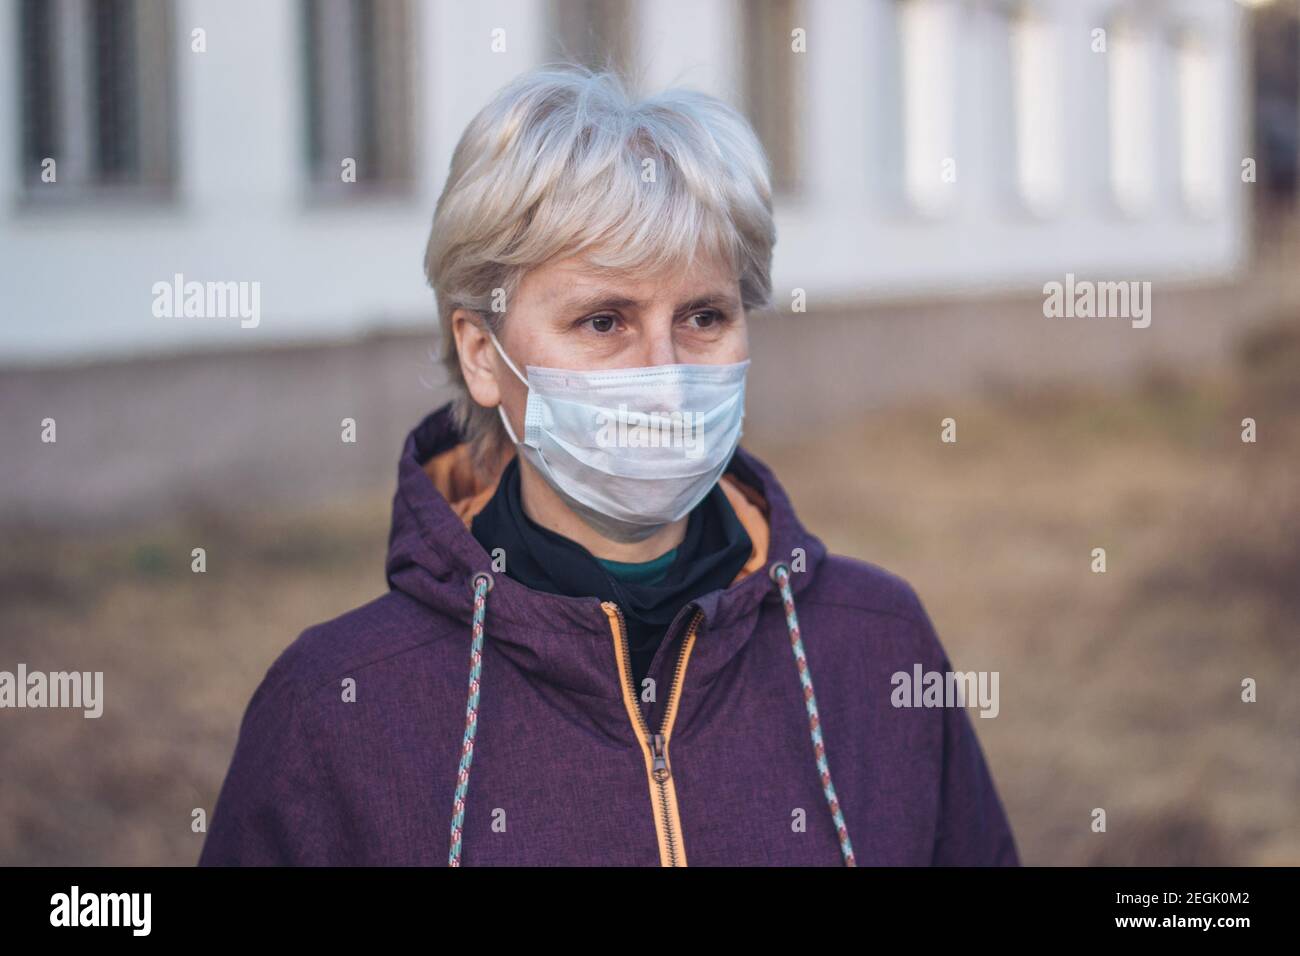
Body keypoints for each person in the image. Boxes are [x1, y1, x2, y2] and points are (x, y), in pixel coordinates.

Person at [199, 64, 1019, 867]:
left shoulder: (877, 646)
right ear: (482, 355)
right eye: (603, 321)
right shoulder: (340, 709)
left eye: (704, 314)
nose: (664, 378)